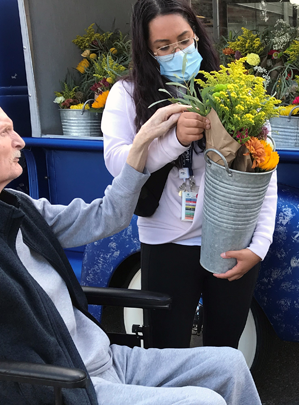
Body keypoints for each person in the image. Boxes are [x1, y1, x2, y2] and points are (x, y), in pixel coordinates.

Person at [0, 83, 262, 405]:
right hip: (61, 387)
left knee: (228, 363)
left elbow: (108, 216)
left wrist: (140, 145)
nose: (19, 141)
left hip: (104, 359)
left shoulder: (17, 206)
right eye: (5, 131)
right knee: (204, 403)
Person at [102, 0, 278, 351]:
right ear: (147, 51)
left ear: (197, 35)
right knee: (166, 349)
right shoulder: (128, 94)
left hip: (231, 239)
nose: (178, 52)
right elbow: (117, 163)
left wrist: (259, 246)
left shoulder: (230, 87)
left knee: (225, 350)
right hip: (165, 242)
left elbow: (265, 171)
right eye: (164, 47)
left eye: (184, 40)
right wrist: (174, 141)